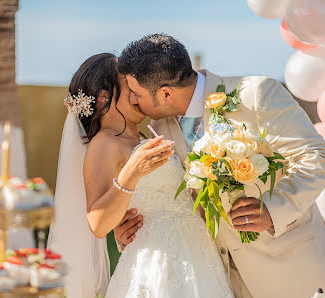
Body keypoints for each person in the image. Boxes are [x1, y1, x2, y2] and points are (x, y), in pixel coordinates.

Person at [114, 33, 325, 298]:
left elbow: (315, 156)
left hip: (289, 268)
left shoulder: (257, 93)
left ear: (166, 93)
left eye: (136, 93)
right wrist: (132, 235)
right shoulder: (159, 128)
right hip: (218, 278)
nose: (133, 101)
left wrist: (273, 210)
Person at [48, 52, 233, 298]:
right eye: (130, 86)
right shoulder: (103, 145)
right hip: (157, 265)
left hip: (199, 255)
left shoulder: (147, 134)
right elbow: (98, 223)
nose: (139, 91)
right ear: (104, 96)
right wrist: (132, 171)